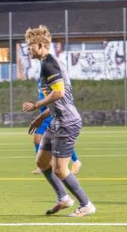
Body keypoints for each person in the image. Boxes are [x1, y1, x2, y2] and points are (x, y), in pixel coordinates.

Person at [22, 26, 95, 217]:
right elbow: (58, 100)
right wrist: (41, 117)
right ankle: (63, 197)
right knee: (42, 162)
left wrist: (36, 105)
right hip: (56, 120)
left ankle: (86, 204)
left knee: (60, 170)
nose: (28, 50)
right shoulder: (47, 63)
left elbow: (59, 93)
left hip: (66, 122)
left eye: (29, 47)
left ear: (39, 45)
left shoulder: (49, 64)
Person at [31, 77, 82, 175]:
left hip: (52, 116)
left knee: (59, 142)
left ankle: (76, 161)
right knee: (37, 139)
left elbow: (55, 102)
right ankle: (42, 166)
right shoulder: (41, 84)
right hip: (44, 117)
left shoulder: (53, 86)